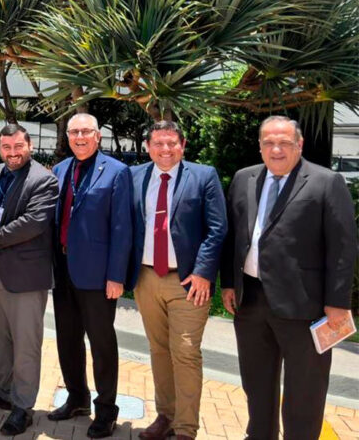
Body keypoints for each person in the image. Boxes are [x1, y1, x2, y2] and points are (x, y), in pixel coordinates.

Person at [220, 116, 357, 440]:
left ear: (300, 145)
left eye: (284, 142)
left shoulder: (326, 182)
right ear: (260, 146)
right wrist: (228, 283)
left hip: (305, 308)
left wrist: (337, 304)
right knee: (257, 387)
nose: (276, 149)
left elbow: (343, 247)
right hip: (250, 302)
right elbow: (233, 237)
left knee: (304, 395)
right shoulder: (243, 178)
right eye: (268, 142)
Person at [129, 122, 227, 440]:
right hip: (146, 277)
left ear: (183, 145)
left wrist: (203, 273)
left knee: (184, 351)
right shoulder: (135, 176)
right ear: (147, 146)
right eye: (158, 143)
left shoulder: (203, 176)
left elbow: (217, 229)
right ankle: (166, 416)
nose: (165, 149)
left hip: (188, 281)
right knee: (158, 350)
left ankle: (186, 428)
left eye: (171, 143)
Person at [0, 124, 58, 435]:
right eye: (6, 148)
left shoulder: (43, 180)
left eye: (18, 147)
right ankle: (2, 391)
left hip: (26, 278)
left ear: (28, 145)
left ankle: (23, 407)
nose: (13, 153)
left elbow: (32, 224)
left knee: (26, 345)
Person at [48, 113, 133, 439]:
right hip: (63, 271)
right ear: (68, 136)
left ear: (97, 136)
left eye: (86, 131)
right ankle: (77, 397)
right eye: (74, 132)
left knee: (101, 343)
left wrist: (116, 276)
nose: (79, 137)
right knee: (67, 340)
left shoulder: (116, 172)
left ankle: (106, 410)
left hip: (98, 277)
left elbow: (122, 228)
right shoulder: (60, 170)